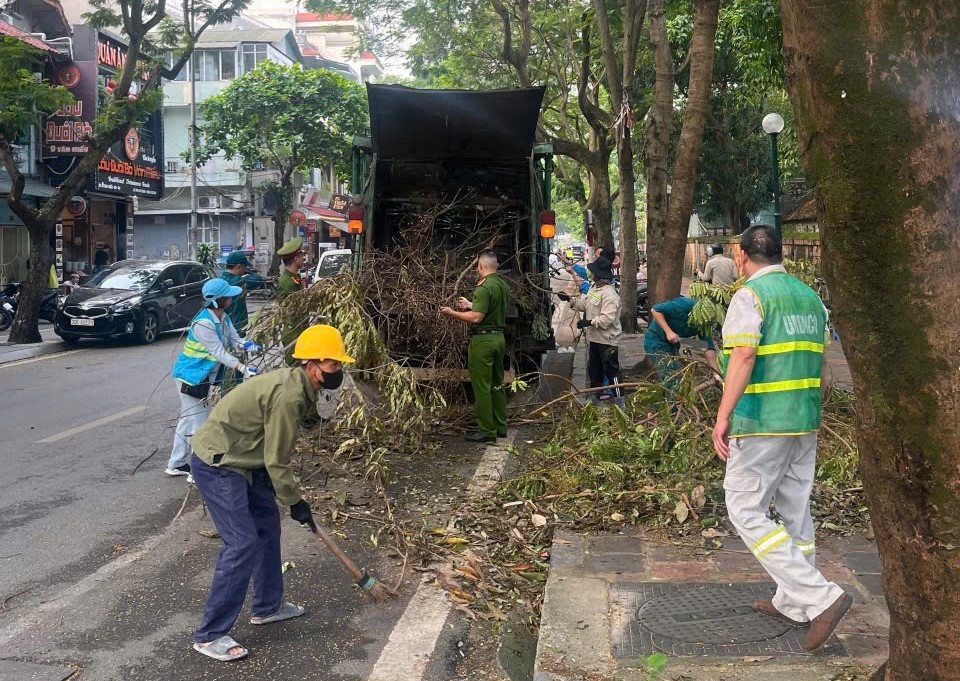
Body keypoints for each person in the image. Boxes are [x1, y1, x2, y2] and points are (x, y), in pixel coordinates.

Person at [712, 225, 851, 652]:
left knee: (744, 509)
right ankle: (793, 602)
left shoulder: (750, 296)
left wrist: (723, 416)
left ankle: (820, 597)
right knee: (795, 509)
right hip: (804, 418)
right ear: (780, 252)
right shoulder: (810, 298)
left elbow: (745, 354)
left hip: (762, 420)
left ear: (741, 256)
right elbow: (820, 355)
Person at [188, 324, 355, 662]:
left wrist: (291, 501)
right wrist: (296, 502)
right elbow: (277, 460)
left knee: (266, 526)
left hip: (247, 460)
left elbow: (270, 453)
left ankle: (267, 606)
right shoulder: (290, 395)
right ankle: (209, 634)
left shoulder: (298, 385)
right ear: (312, 366)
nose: (339, 371)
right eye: (333, 366)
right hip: (220, 462)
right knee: (242, 542)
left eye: (339, 365)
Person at [165, 279, 257, 478]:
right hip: (191, 378)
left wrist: (250, 345)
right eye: (228, 296)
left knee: (187, 420)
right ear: (218, 301)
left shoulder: (223, 318)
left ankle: (176, 464)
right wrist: (243, 368)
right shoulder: (204, 324)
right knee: (200, 424)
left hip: (203, 377)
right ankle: (198, 472)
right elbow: (219, 353)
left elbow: (235, 340)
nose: (232, 298)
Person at [440, 249, 510, 443]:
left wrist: (451, 312)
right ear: (496, 266)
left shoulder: (483, 287)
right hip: (498, 339)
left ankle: (487, 431)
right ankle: (500, 427)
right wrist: (472, 304)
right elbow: (489, 308)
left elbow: (477, 318)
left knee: (482, 386)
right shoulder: (502, 285)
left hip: (483, 342)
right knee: (497, 384)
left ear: (480, 266)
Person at [560, 259, 623, 405]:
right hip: (594, 339)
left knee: (612, 372)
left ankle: (621, 402)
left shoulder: (610, 294)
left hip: (607, 340)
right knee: (594, 371)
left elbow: (607, 319)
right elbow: (585, 304)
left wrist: (589, 322)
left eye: (593, 272)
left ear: (598, 275)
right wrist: (570, 300)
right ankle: (596, 398)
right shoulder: (594, 289)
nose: (590, 274)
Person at [644, 295, 719, 391]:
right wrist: (668, 332)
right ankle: (673, 404)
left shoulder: (705, 323)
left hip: (673, 345)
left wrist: (716, 373)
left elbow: (708, 347)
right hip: (656, 341)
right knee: (672, 377)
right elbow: (655, 310)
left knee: (674, 376)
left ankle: (669, 401)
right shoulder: (685, 305)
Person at [220, 251, 265, 335]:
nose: (244, 270)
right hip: (237, 327)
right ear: (238, 266)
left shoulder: (220, 280)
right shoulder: (238, 281)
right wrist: (248, 272)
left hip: (224, 326)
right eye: (244, 267)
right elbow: (258, 279)